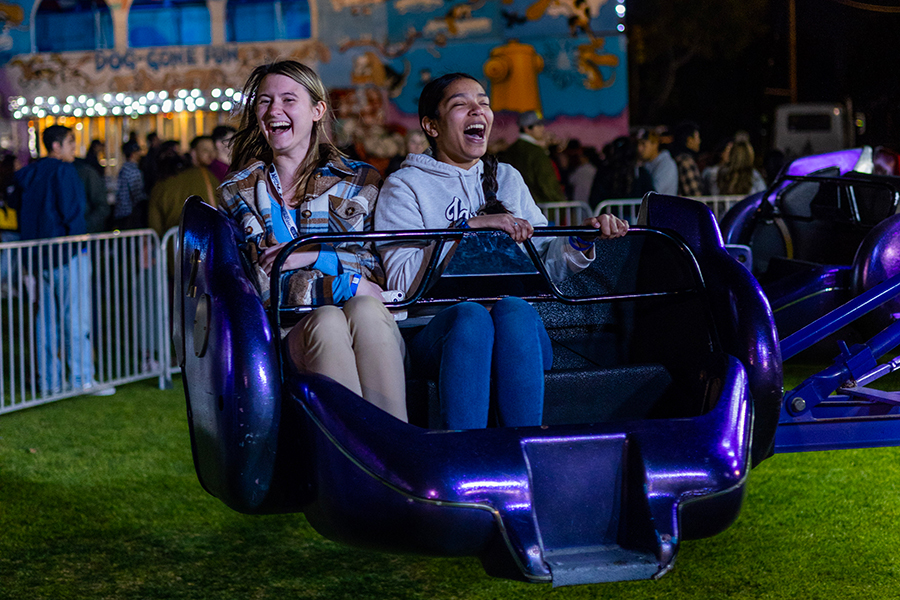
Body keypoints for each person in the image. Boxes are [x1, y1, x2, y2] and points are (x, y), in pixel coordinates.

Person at [376, 73, 628, 430]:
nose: (478, 110)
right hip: (438, 333)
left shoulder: (508, 178)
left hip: (517, 335)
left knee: (514, 309)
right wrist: (467, 230)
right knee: (472, 318)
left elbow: (547, 265)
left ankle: (522, 453)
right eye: (461, 105)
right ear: (431, 126)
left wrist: (580, 240)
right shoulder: (404, 185)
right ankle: (468, 461)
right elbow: (401, 281)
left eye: (484, 102)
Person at [217, 60, 407, 421]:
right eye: (264, 101)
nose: (274, 110)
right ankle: (359, 456)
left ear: (318, 110)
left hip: (364, 324)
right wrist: (346, 284)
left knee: (366, 310)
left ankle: (394, 449)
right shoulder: (240, 191)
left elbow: (376, 273)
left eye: (289, 100)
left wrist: (310, 256)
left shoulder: (360, 179)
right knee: (328, 321)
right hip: (289, 331)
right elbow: (264, 285)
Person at [14, 125, 113, 396]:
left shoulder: (30, 173)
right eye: (71, 142)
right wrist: (78, 246)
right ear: (56, 146)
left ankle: (50, 382)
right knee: (76, 319)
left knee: (46, 322)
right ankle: (81, 378)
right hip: (66, 254)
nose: (74, 147)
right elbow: (73, 213)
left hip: (37, 257)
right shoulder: (64, 171)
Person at [148, 135, 221, 237]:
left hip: (172, 246)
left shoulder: (159, 187)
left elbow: (155, 226)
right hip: (203, 242)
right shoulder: (205, 176)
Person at [498, 110, 567, 204]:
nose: (542, 128)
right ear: (527, 129)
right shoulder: (536, 152)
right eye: (538, 125)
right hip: (539, 208)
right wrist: (562, 204)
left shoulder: (510, 150)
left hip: (515, 206)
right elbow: (547, 184)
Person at [113, 139, 147, 230]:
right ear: (133, 154)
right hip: (129, 213)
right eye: (138, 151)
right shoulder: (133, 171)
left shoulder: (123, 169)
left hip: (121, 211)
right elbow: (137, 194)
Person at [636, 128, 677, 195]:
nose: (639, 148)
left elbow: (654, 192)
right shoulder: (645, 163)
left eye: (643, 144)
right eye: (638, 144)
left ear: (655, 144)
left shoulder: (666, 164)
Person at [670, 121, 703, 197]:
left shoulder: (676, 157)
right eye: (697, 137)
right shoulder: (686, 161)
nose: (699, 141)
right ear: (689, 139)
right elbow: (694, 193)